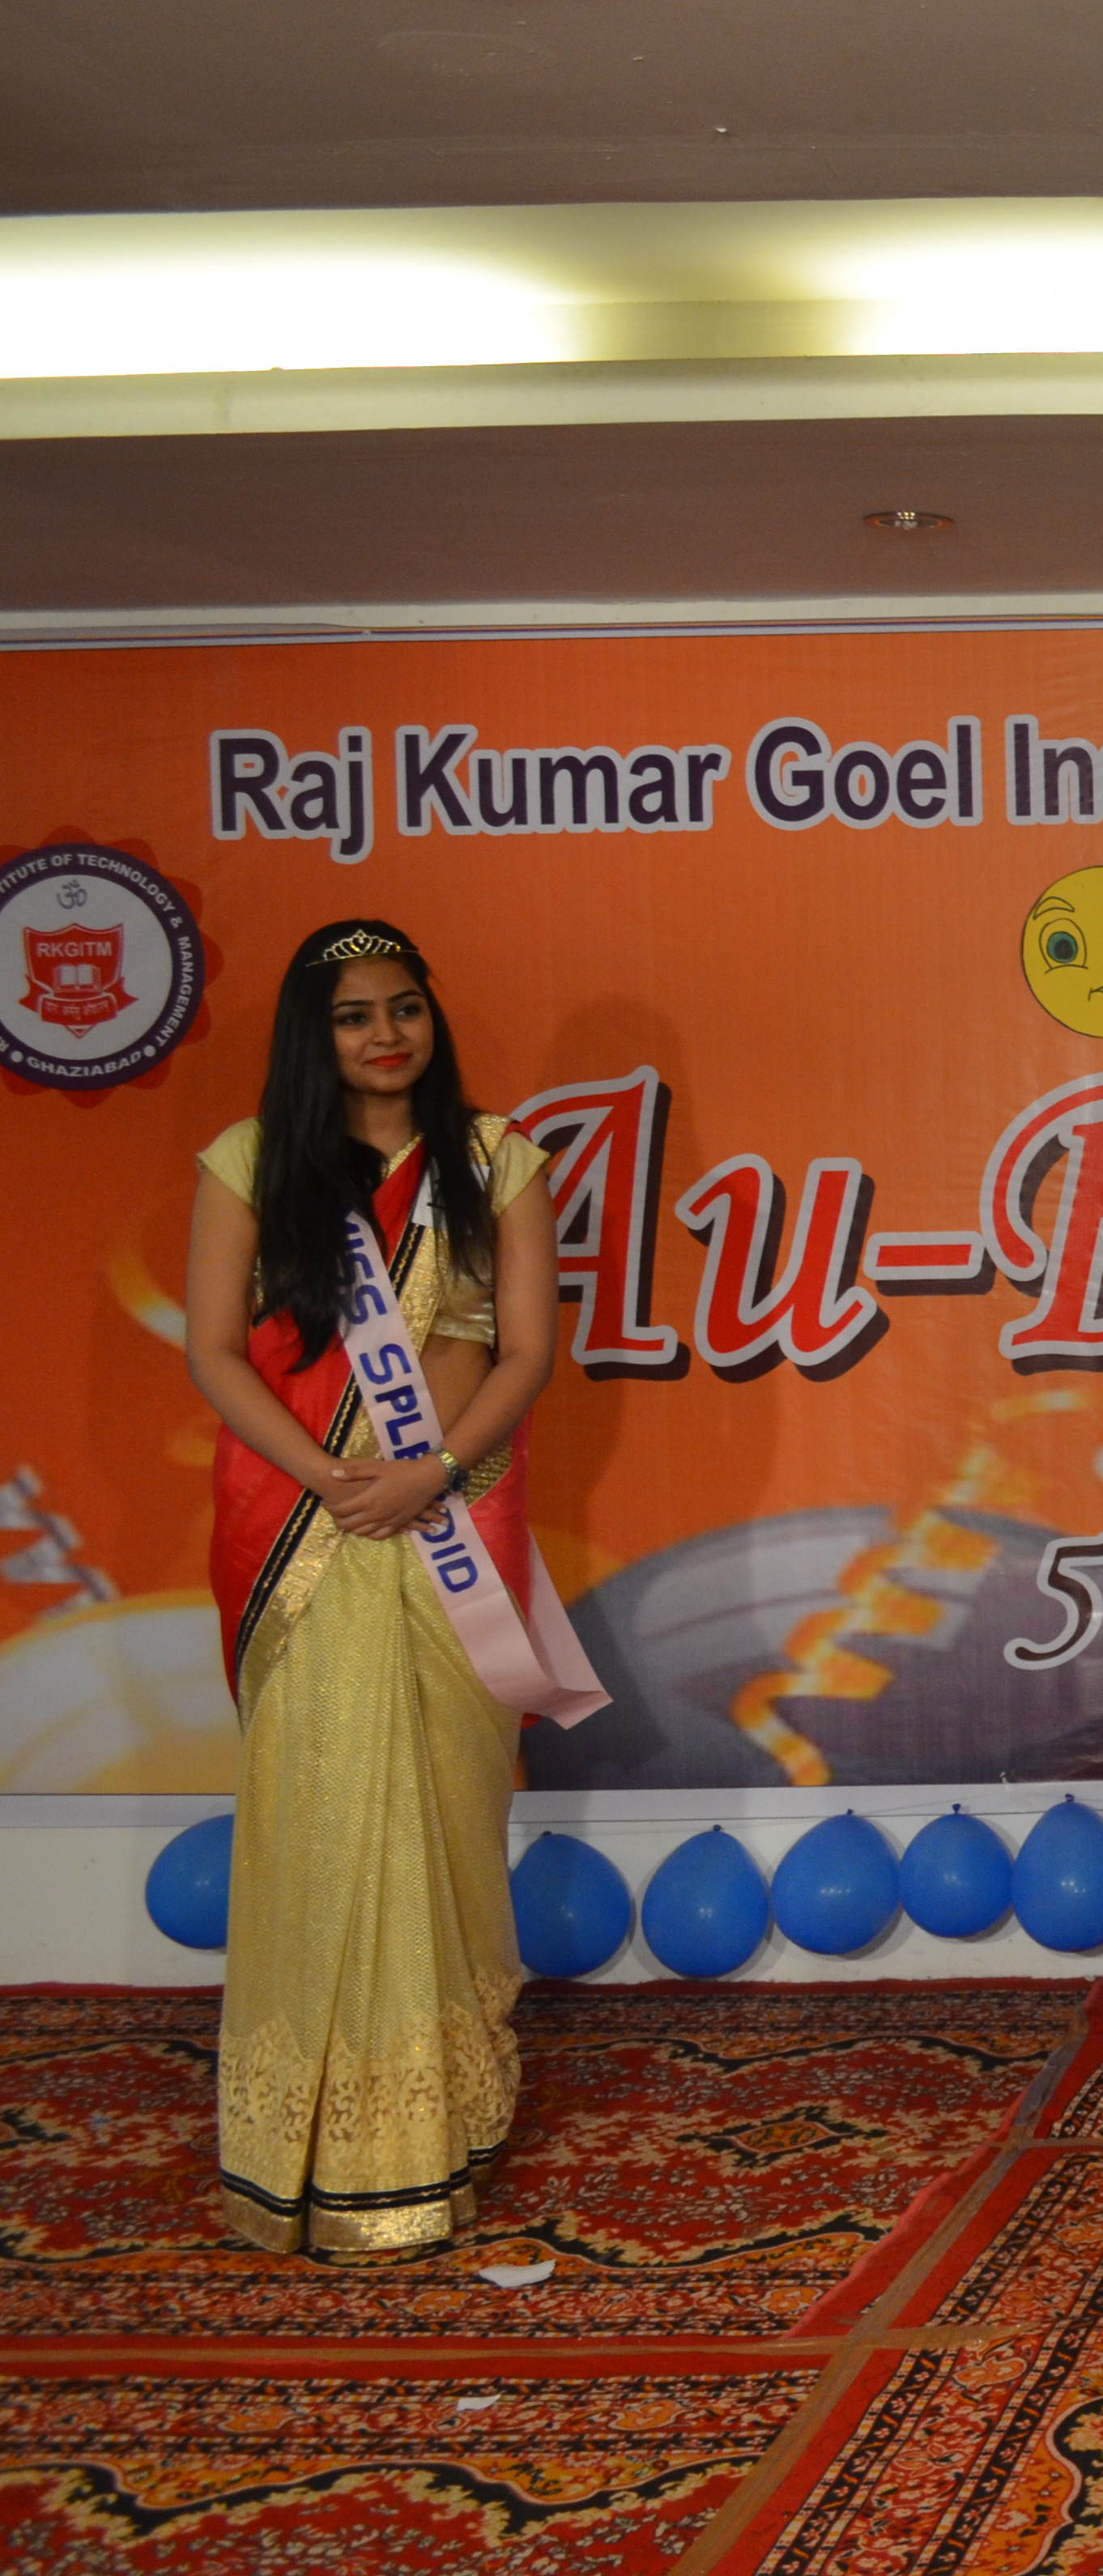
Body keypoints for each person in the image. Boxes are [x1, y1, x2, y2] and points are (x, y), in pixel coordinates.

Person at [183, 920, 557, 2255]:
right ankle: (313, 2144)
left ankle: (440, 2119)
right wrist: (333, 1479)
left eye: (404, 1006)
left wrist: (432, 1471)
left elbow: (526, 1350)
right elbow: (216, 1350)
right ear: (315, 1034)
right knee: (322, 1818)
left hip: (453, 1518)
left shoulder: (496, 1159)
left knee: (444, 1810)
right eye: (353, 1015)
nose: (386, 1033)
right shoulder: (250, 1161)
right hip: (309, 1529)